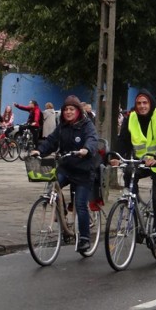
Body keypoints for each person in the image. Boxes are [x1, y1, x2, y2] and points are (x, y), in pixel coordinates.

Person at [31, 95, 98, 252]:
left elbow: (92, 139)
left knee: (81, 204)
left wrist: (86, 149)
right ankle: (60, 215)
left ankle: (84, 239)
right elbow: (51, 142)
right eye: (66, 109)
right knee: (52, 187)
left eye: (71, 109)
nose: (68, 112)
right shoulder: (62, 127)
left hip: (83, 171)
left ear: (78, 111)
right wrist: (38, 151)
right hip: (66, 168)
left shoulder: (86, 125)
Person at [114, 90, 156, 257]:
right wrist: (115, 156)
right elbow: (123, 140)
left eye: (145, 103)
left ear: (151, 103)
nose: (141, 106)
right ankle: (132, 204)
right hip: (142, 162)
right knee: (128, 171)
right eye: (139, 103)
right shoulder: (130, 118)